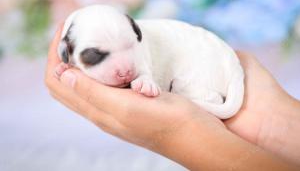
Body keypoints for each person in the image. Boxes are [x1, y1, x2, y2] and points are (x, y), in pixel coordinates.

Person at [45, 24, 300, 170]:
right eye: (97, 56)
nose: (123, 68)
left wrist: (183, 133)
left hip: (206, 73)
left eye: (128, 48)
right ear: (66, 50)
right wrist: (274, 123)